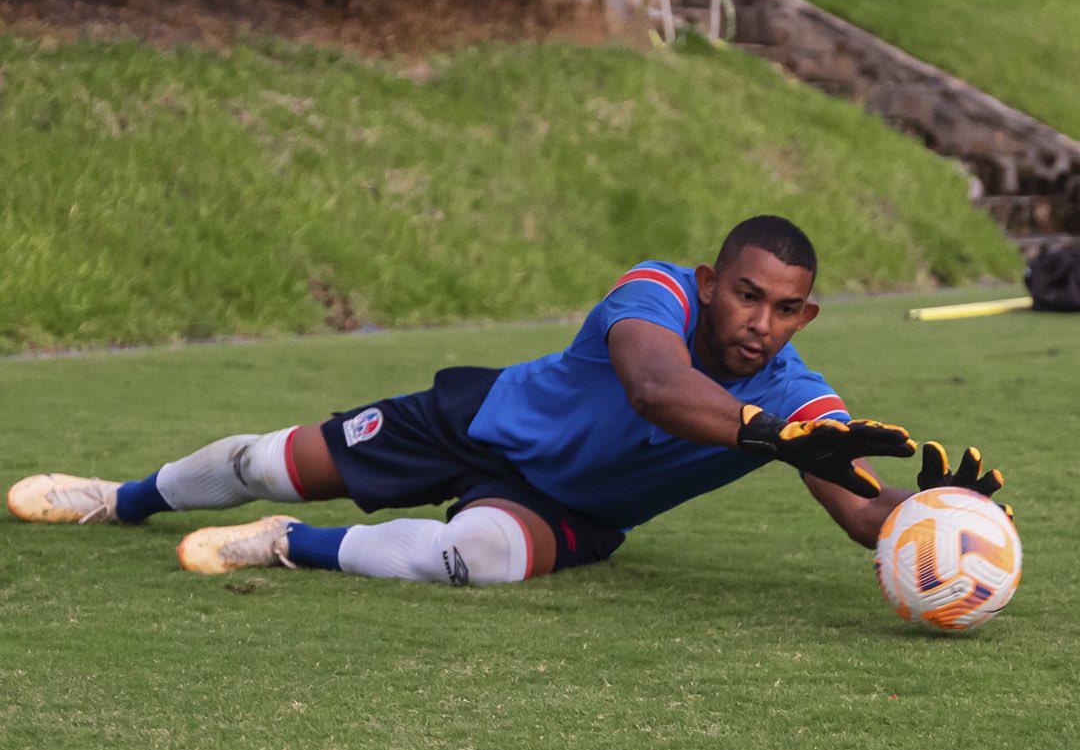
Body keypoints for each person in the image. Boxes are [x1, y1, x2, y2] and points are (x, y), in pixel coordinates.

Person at [7, 216, 1008, 585]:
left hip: (567, 509)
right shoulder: (655, 292)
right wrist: (776, 436)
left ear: (807, 314)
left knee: (474, 560)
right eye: (746, 295)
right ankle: (121, 497)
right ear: (711, 281)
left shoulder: (802, 399)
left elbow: (863, 511)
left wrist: (940, 522)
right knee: (262, 459)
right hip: (478, 420)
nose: (760, 321)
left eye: (785, 309)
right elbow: (660, 392)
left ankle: (286, 543)